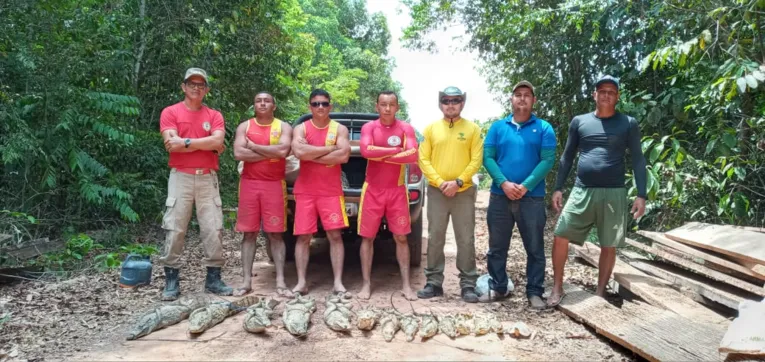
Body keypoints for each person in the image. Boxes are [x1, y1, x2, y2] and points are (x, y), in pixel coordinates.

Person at [547, 75, 647, 307]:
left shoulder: (628, 123)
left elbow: (638, 160)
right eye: (602, 90)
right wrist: (558, 188)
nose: (606, 95)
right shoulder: (579, 122)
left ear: (617, 96)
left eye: (611, 91)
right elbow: (568, 156)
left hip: (614, 192)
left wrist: (641, 194)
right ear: (594, 94)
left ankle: (600, 293)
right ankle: (557, 287)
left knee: (608, 243)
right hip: (582, 190)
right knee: (561, 234)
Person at [479, 81, 556, 309]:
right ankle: (500, 286)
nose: (522, 98)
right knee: (496, 247)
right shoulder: (497, 127)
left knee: (534, 248)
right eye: (518, 95)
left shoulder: (543, 128)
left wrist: (526, 186)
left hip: (531, 198)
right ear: (511, 100)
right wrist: (503, 183)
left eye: (527, 95)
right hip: (499, 197)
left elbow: (547, 160)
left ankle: (534, 292)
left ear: (534, 101)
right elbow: (488, 158)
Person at [158, 67, 232, 301]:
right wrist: (206, 143)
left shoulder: (214, 115)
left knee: (213, 227)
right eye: (192, 84)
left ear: (206, 89)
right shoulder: (170, 112)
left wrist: (186, 141)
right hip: (180, 176)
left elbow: (219, 141)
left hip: (207, 176)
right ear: (183, 86)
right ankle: (171, 280)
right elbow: (171, 144)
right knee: (175, 227)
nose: (196, 88)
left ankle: (213, 278)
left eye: (201, 85)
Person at [417, 86, 484, 303]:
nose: (451, 104)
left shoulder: (472, 129)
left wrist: (458, 181)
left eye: (455, 100)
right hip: (437, 192)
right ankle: (434, 283)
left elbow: (476, 160)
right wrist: (439, 182)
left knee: (465, 239)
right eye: (446, 100)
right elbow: (423, 159)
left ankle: (468, 285)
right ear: (440, 104)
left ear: (462, 103)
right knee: (435, 237)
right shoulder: (431, 129)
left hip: (463, 191)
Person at [357, 91, 419, 301]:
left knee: (401, 237)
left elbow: (412, 154)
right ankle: (366, 285)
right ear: (377, 107)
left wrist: (381, 153)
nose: (387, 108)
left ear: (397, 107)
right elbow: (365, 150)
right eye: (383, 104)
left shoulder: (405, 128)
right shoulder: (369, 127)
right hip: (372, 190)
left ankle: (406, 285)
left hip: (397, 190)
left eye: (391, 104)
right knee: (368, 237)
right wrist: (395, 151)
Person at [290, 89, 351, 295]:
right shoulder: (301, 128)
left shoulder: (339, 129)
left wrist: (312, 153)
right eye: (316, 104)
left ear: (330, 106)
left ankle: (338, 283)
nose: (320, 107)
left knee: (335, 235)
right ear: (310, 107)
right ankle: (301, 282)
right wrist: (329, 149)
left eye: (324, 104)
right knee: (303, 237)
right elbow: (299, 152)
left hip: (331, 191)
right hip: (305, 190)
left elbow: (343, 157)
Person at [233, 92, 293, 296]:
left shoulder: (283, 126)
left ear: (274, 105)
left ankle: (281, 282)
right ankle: (246, 281)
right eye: (258, 100)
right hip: (249, 184)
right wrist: (270, 152)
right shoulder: (245, 126)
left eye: (267, 100)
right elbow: (239, 153)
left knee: (276, 233)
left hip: (274, 185)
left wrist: (254, 147)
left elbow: (283, 151)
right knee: (249, 233)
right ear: (254, 105)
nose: (262, 103)